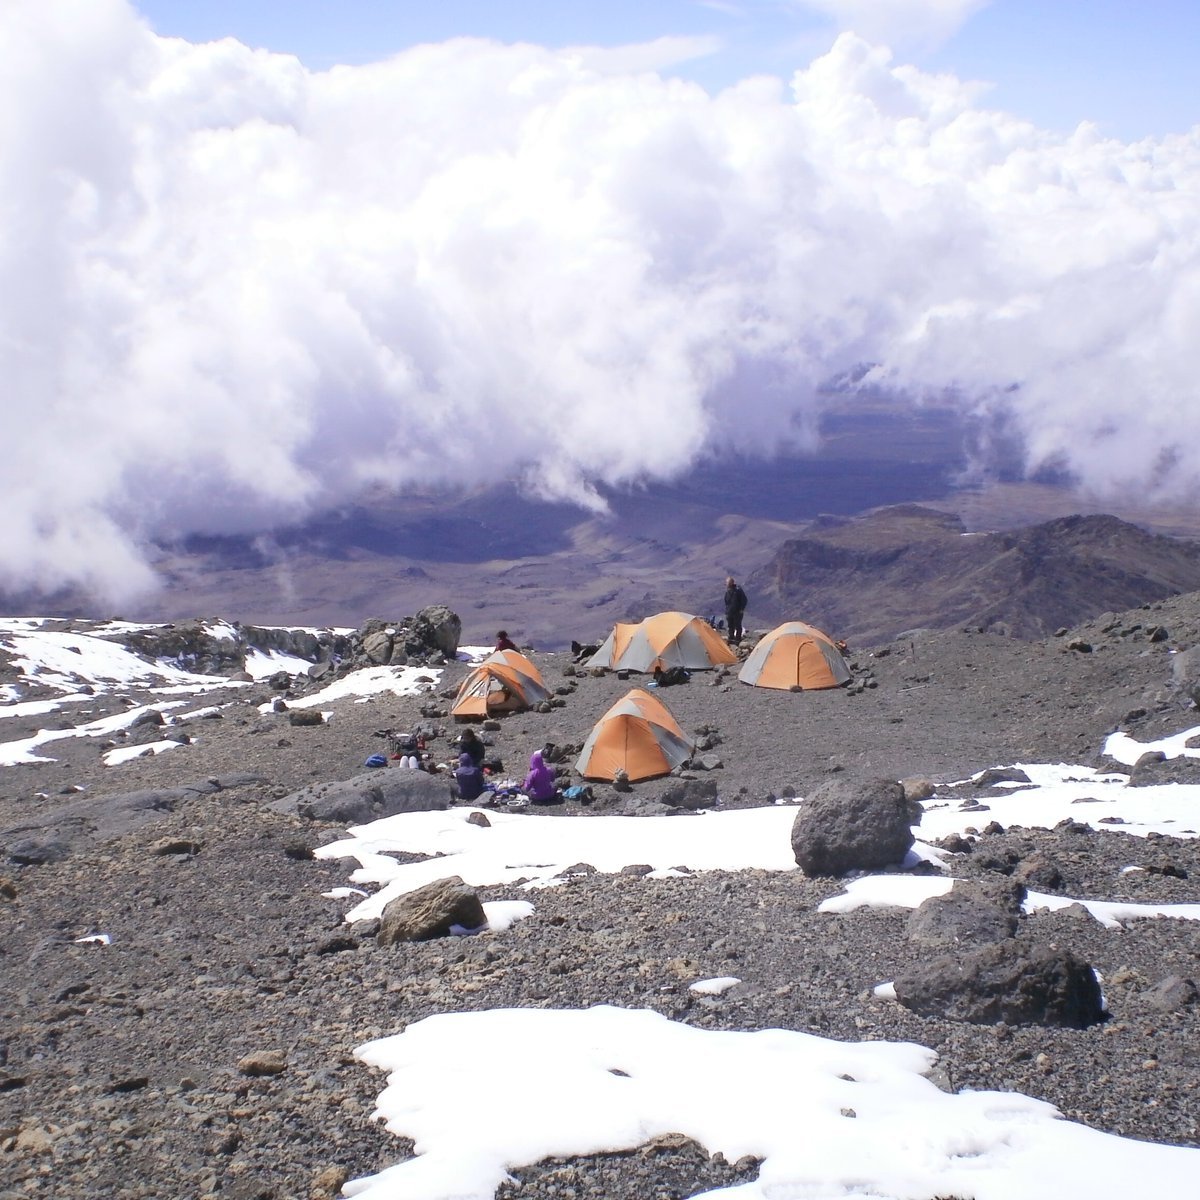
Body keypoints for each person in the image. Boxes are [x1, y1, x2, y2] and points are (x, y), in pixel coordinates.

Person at [723, 576, 748, 646]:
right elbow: (726, 601)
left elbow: (744, 600)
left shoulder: (738, 590)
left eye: (727, 583)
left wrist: (741, 609)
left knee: (738, 626)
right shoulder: (728, 591)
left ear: (731, 583)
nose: (726, 584)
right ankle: (731, 639)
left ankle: (738, 640)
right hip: (729, 612)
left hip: (737, 612)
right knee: (730, 626)